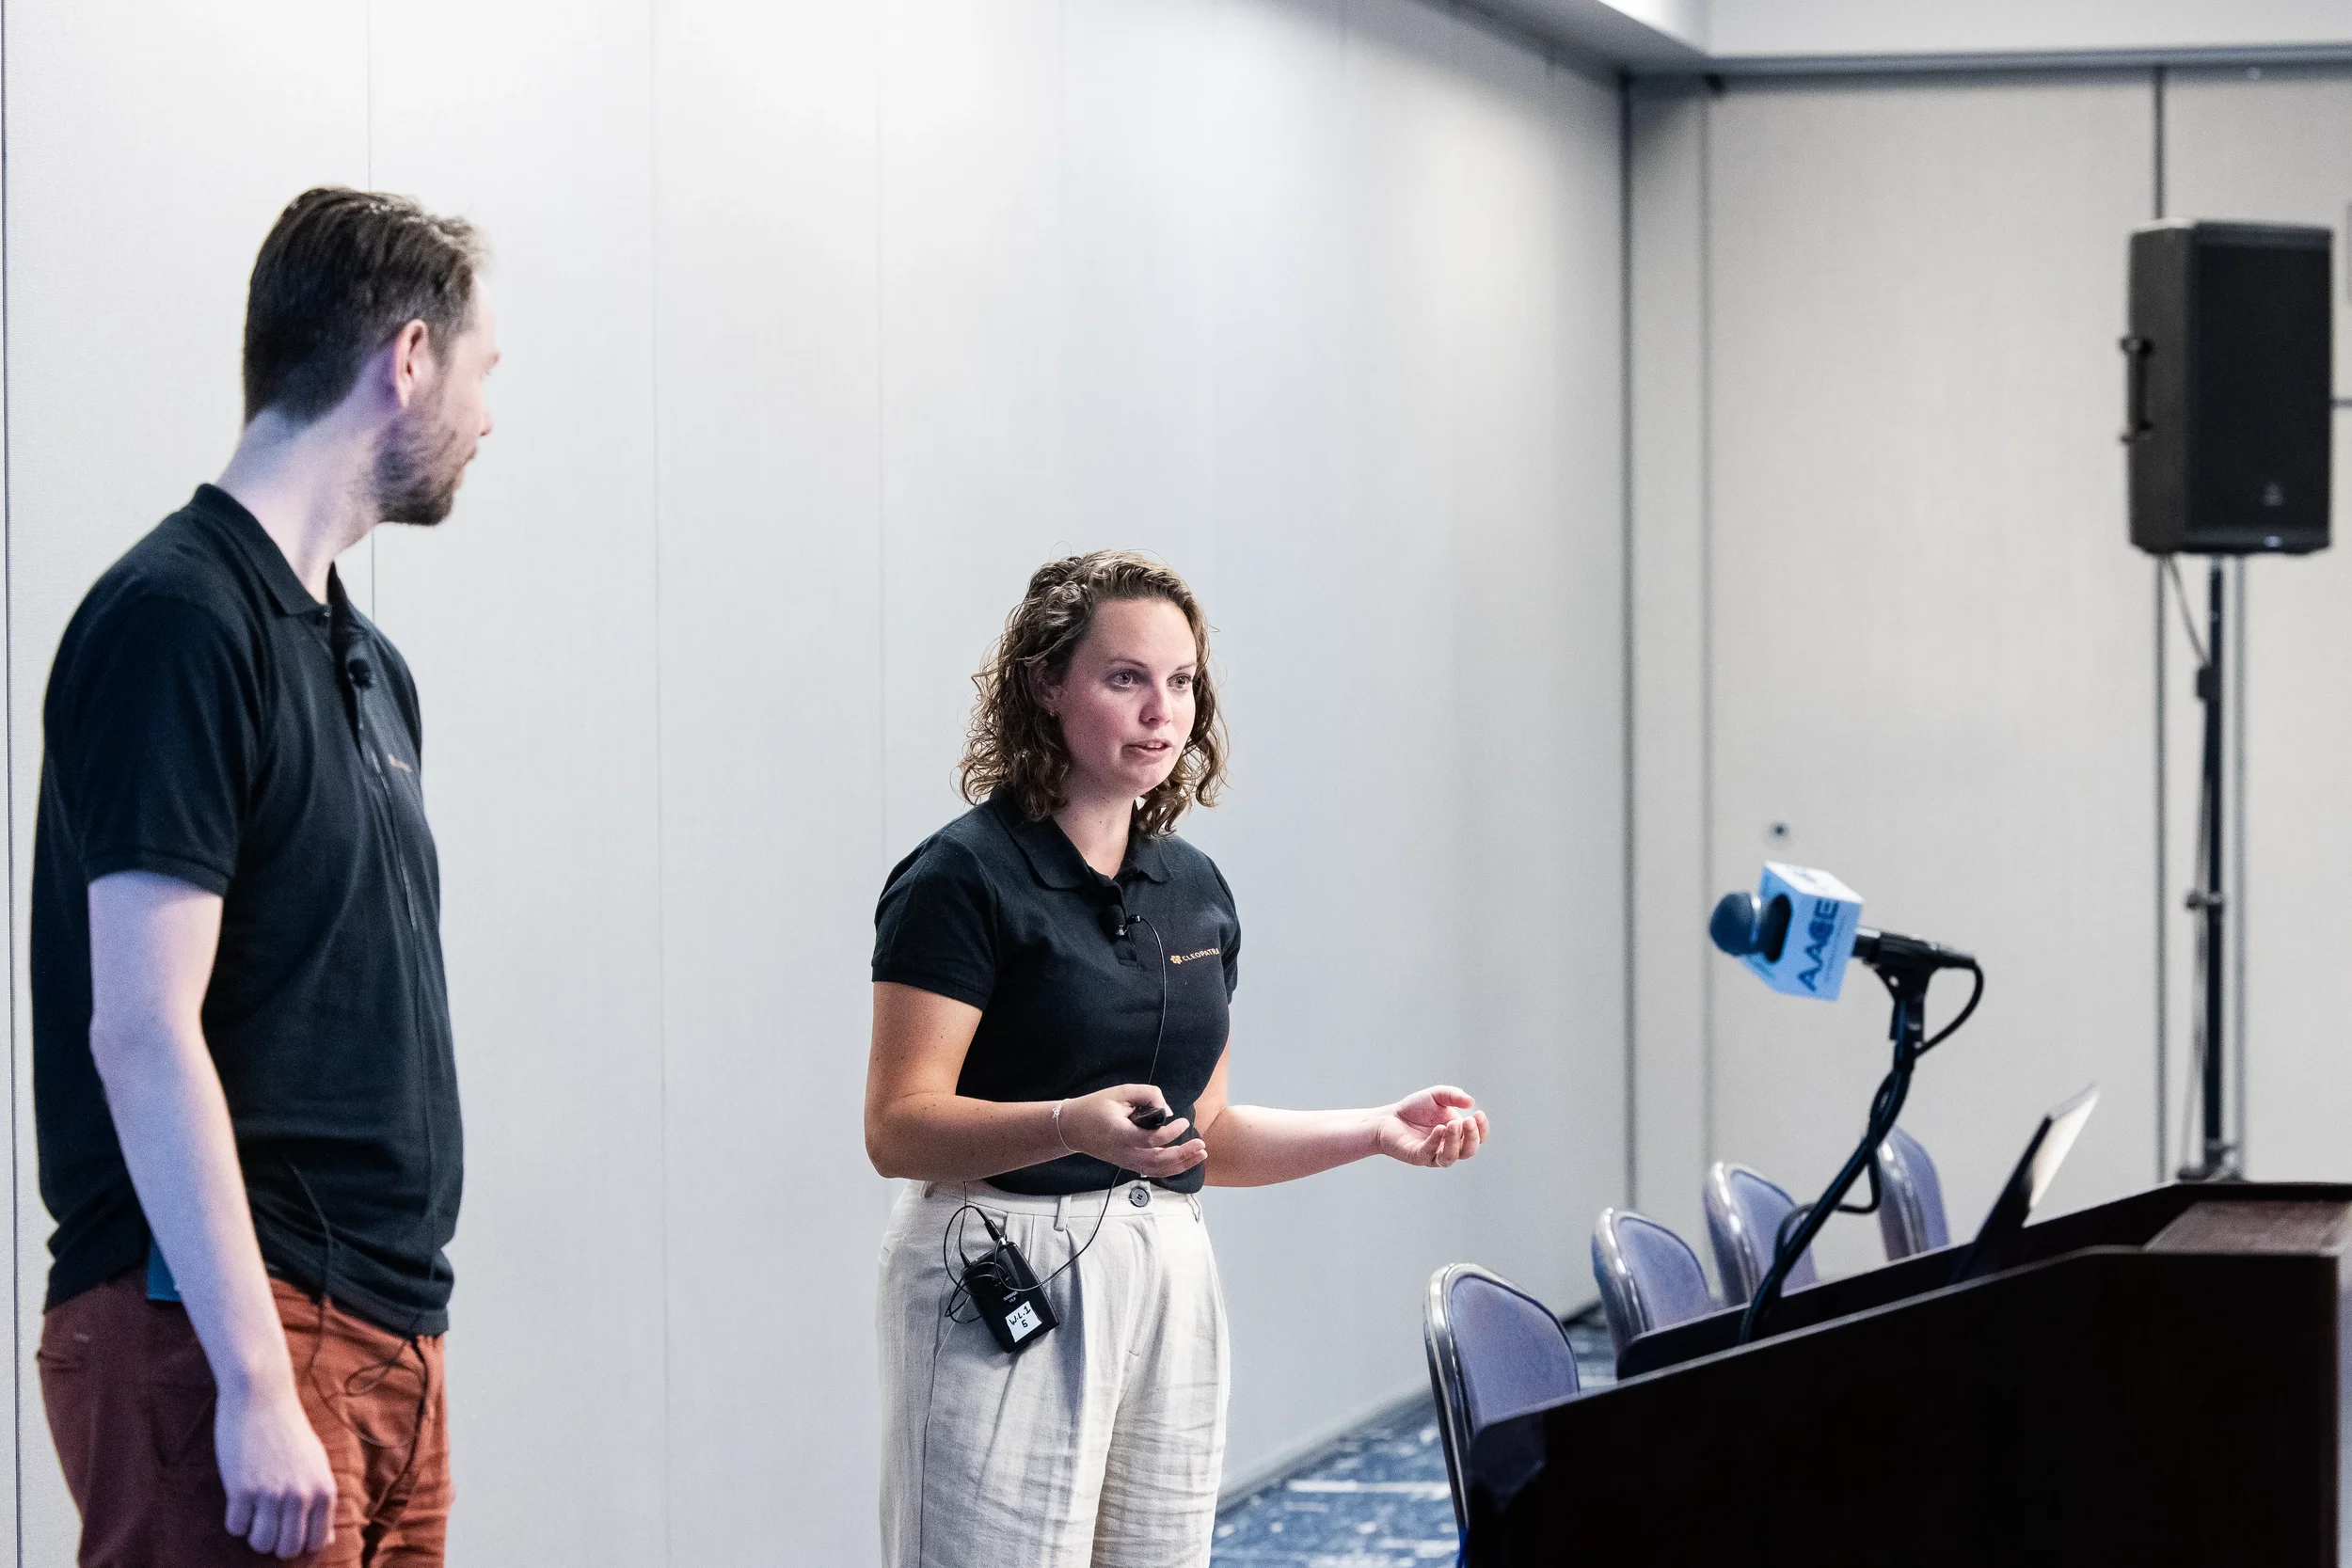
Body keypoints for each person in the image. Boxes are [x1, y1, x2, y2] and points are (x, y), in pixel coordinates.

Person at [31, 188, 497, 1566]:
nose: (487, 417)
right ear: (407, 356)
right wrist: (250, 1377)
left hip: (389, 1332)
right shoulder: (179, 620)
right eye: (482, 372)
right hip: (227, 1327)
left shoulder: (368, 664)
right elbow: (141, 1024)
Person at [866, 551, 1489, 1568]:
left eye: (1183, 681)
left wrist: (1376, 1129)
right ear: (1045, 683)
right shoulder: (959, 877)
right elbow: (897, 1127)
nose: (1163, 712)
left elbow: (1212, 1133)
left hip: (1167, 1267)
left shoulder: (1194, 887)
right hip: (999, 1257)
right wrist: (1066, 1122)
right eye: (1126, 678)